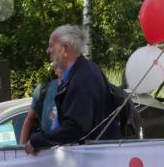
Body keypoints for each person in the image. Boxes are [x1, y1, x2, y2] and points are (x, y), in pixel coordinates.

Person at [25, 24, 118, 154]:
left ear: (64, 49)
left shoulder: (83, 77)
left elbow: (75, 127)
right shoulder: (83, 72)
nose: (48, 50)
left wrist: (38, 140)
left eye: (51, 45)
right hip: (90, 159)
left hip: (93, 162)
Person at [19, 64, 61, 144]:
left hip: (70, 151)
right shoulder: (43, 90)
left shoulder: (77, 90)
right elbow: (29, 119)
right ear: (55, 69)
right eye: (60, 64)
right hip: (45, 151)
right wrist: (21, 148)